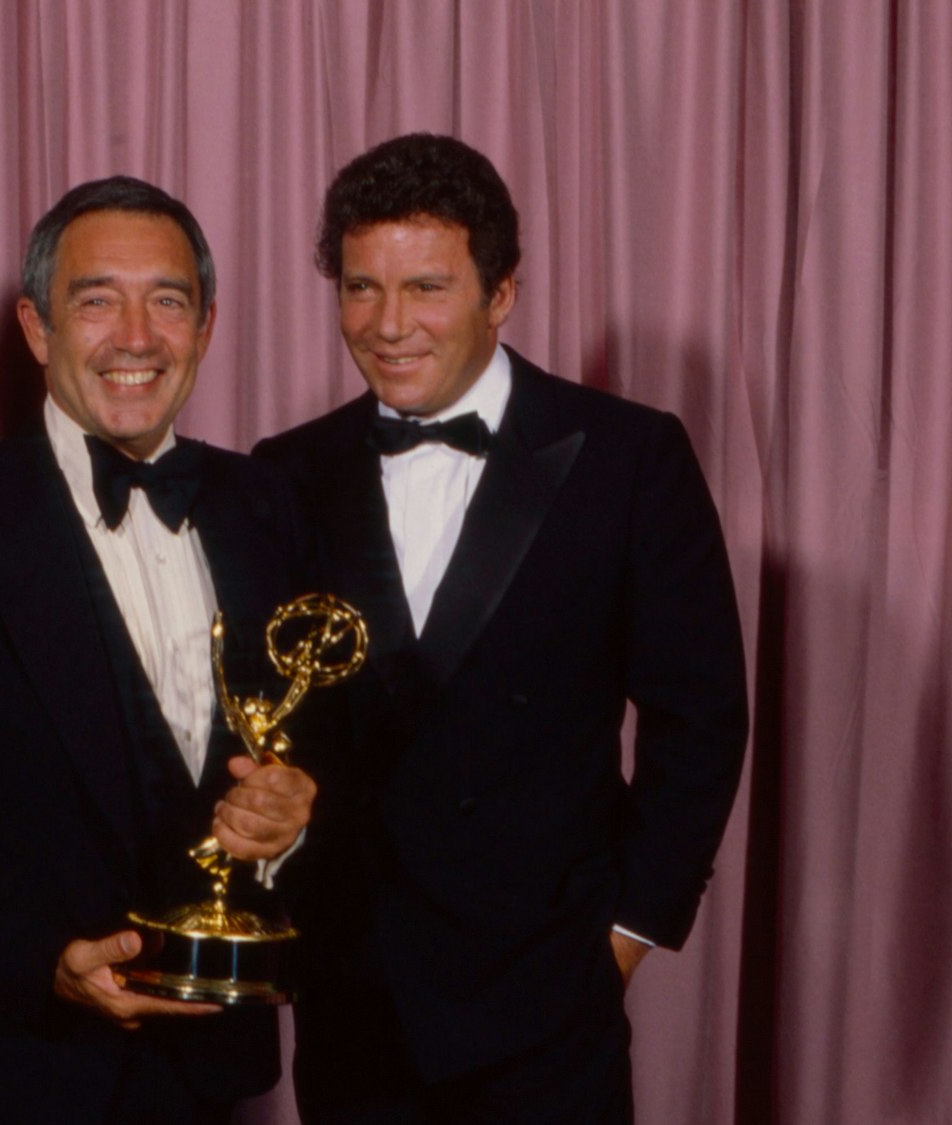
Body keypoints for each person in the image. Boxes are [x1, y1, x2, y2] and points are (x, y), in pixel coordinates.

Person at [0, 176, 317, 1123]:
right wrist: (42, 958)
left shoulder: (267, 507)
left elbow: (312, 748)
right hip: (0, 1068)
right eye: (97, 299)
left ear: (205, 326)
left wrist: (292, 822)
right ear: (37, 330)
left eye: (167, 301)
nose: (135, 336)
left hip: (211, 1077)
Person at [254, 133, 749, 1123]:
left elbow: (700, 719)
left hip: (544, 1001)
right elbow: (271, 721)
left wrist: (621, 936)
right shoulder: (283, 470)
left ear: (501, 293)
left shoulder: (627, 457)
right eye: (360, 289)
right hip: (353, 997)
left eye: (425, 288)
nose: (386, 325)